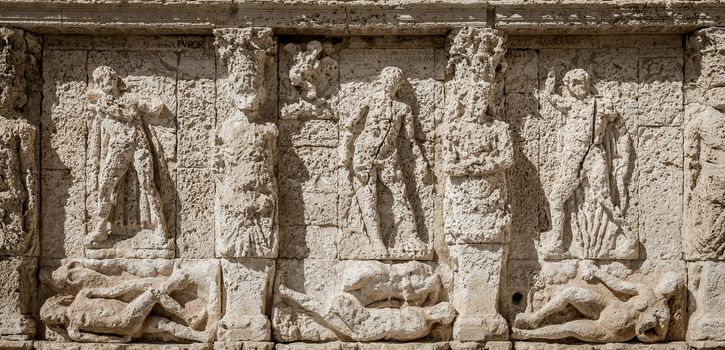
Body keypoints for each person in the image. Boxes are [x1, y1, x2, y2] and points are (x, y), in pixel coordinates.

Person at [339, 66, 427, 257]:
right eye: (388, 80)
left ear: (398, 85)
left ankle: (411, 235)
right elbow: (350, 126)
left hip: (389, 155)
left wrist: (421, 162)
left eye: (395, 82)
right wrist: (345, 150)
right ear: (382, 81)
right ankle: (377, 242)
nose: (390, 84)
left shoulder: (403, 108)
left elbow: (411, 140)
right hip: (365, 154)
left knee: (400, 193)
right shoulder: (369, 100)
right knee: (369, 196)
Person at [540, 69, 618, 258]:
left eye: (580, 81)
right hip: (572, 160)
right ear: (568, 87)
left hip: (592, 155)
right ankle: (558, 243)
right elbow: (552, 98)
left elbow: (615, 117)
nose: (577, 86)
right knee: (556, 199)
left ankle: (625, 235)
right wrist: (550, 82)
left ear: (588, 82)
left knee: (605, 198)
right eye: (572, 84)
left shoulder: (600, 104)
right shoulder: (571, 105)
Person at [85, 66, 167, 247]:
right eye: (100, 81)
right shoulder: (102, 105)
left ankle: (160, 226)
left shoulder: (130, 99)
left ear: (114, 79)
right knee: (105, 186)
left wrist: (156, 100)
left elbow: (154, 108)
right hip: (117, 148)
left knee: (148, 184)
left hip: (138, 144)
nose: (105, 83)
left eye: (107, 78)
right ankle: (100, 227)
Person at [512, 262, 684, 343]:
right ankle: (535, 318)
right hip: (608, 306)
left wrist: (641, 333)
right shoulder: (645, 290)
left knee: (569, 328)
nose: (666, 284)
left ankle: (528, 335)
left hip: (612, 332)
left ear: (674, 291)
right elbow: (618, 285)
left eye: (672, 284)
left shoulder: (663, 313)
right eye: (667, 280)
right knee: (572, 292)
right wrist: (597, 272)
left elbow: (659, 337)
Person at [40, 271, 209, 343]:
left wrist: (134, 285)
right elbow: (99, 339)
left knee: (164, 324)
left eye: (54, 315)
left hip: (129, 319)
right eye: (53, 321)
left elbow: (113, 291)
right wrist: (119, 340)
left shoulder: (82, 295)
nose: (57, 319)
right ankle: (190, 317)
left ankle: (201, 337)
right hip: (123, 320)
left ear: (58, 305)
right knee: (155, 293)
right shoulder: (73, 331)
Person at [277, 284, 456, 342]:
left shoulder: (422, 327)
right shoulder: (421, 311)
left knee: (330, 309)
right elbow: (397, 311)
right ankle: (290, 296)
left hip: (368, 328)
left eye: (442, 314)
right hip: (371, 316)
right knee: (337, 303)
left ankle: (289, 294)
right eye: (442, 307)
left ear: (442, 321)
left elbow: (394, 329)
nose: (438, 310)